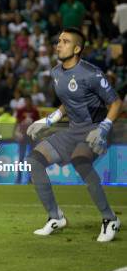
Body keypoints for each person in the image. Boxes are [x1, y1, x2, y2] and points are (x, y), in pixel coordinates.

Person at [26, 28, 122, 242]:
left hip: (96, 129)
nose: (58, 44)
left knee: (80, 161)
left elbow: (116, 102)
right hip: (73, 130)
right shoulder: (56, 73)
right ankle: (55, 217)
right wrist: (48, 120)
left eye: (65, 41)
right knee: (34, 160)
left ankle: (110, 219)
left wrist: (104, 128)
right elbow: (71, 101)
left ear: (77, 48)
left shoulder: (91, 73)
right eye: (58, 40)